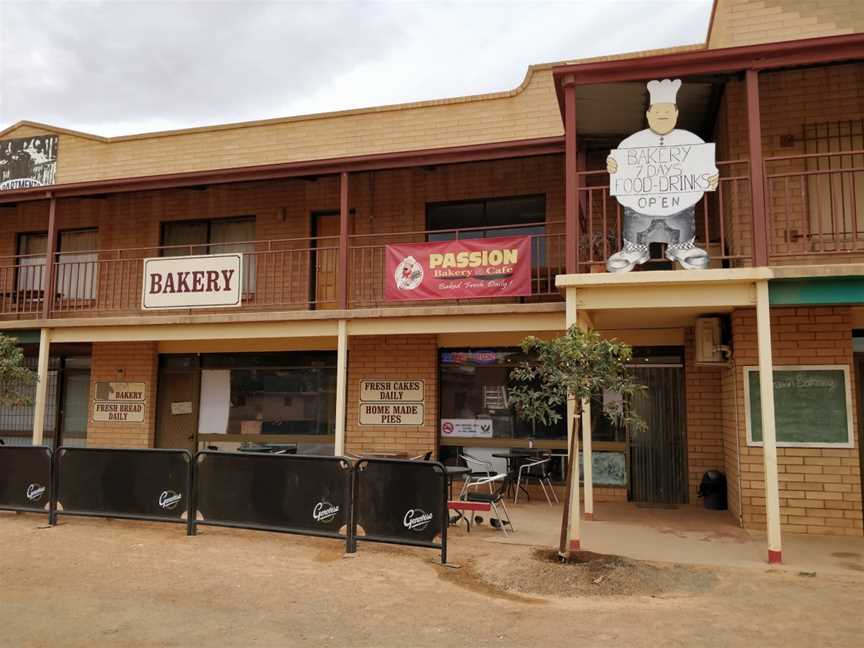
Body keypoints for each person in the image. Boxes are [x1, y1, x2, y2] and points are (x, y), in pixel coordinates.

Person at [606, 78, 719, 272]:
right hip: (641, 208)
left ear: (675, 114)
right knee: (635, 220)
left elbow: (704, 165)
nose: (663, 116)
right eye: (658, 112)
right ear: (649, 115)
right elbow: (621, 168)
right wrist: (614, 167)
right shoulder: (633, 143)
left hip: (678, 206)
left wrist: (711, 176)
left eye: (667, 111)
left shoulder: (691, 141)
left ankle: (682, 247)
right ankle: (634, 248)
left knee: (682, 219)